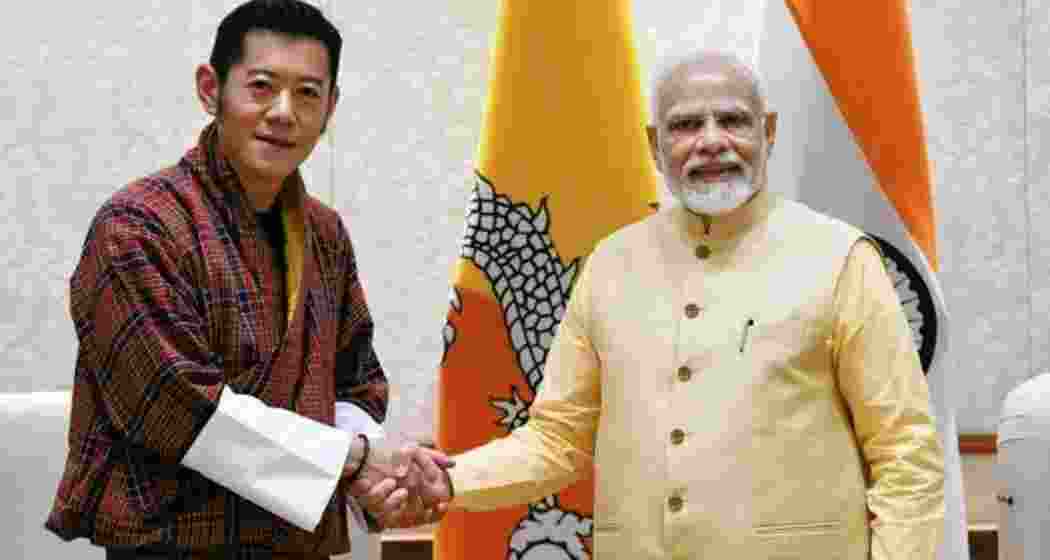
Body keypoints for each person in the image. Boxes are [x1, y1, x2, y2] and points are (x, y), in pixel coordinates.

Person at [365, 50, 947, 559]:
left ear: (768, 132)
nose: (712, 140)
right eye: (686, 124)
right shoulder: (612, 263)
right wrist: (451, 480)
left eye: (734, 121)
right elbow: (557, 440)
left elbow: (905, 456)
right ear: (655, 145)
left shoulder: (841, 257)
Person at [44, 1, 450, 558]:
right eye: (261, 86)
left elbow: (354, 383)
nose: (283, 112)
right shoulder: (137, 226)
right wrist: (353, 459)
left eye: (308, 93)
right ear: (211, 89)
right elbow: (175, 406)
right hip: (174, 543)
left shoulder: (325, 233)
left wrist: (377, 474)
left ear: (331, 107)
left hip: (299, 544)